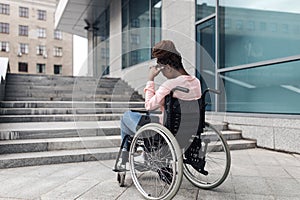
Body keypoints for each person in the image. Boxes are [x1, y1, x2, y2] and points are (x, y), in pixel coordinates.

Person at [119, 40, 201, 163]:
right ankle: (143, 153)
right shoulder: (196, 82)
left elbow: (149, 105)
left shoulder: (170, 85)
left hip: (166, 131)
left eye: (162, 71)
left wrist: (150, 79)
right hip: (190, 129)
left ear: (168, 68)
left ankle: (126, 154)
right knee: (151, 116)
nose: (162, 74)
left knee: (126, 117)